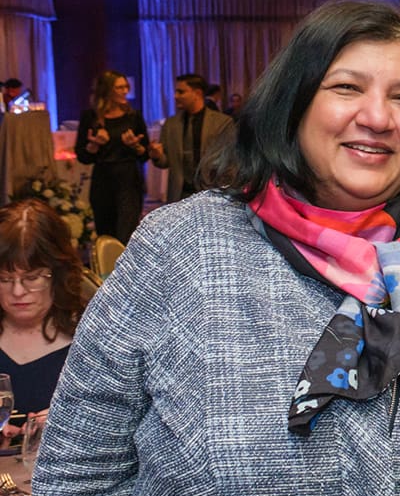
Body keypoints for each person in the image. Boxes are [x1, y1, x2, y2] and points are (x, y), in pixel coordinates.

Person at [28, 0, 400, 496]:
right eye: (346, 88)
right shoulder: (182, 248)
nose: (377, 118)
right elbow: (80, 476)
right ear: (294, 102)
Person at [0, 198, 86, 441]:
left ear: (57, 275)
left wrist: (70, 421)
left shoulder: (88, 338)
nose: (17, 291)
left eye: (32, 278)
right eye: (4, 279)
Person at [73, 71, 149, 243]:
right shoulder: (90, 117)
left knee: (127, 232)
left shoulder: (133, 116)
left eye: (125, 87)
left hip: (128, 179)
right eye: (119, 87)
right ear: (106, 90)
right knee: (106, 233)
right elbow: (83, 156)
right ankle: (108, 268)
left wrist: (135, 146)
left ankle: (127, 269)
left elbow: (145, 155)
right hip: (103, 179)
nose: (124, 91)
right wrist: (94, 145)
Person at [148, 73, 235, 202]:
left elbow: (230, 160)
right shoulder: (171, 124)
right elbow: (165, 162)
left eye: (181, 92)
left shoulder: (222, 123)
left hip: (211, 193)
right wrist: (157, 155)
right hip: (180, 194)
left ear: (197, 93)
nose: (175, 96)